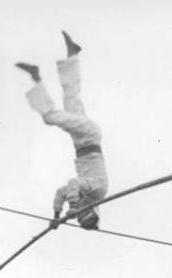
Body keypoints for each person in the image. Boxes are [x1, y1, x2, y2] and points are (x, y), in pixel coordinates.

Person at [16, 31, 107, 231]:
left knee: (71, 98)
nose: (80, 211)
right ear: (91, 209)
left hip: (81, 140)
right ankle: (36, 77)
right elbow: (74, 182)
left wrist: (57, 216)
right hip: (89, 136)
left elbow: (61, 192)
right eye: (84, 213)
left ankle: (73, 55)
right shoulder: (97, 192)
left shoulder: (81, 194)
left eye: (80, 215)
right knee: (50, 117)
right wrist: (73, 207)